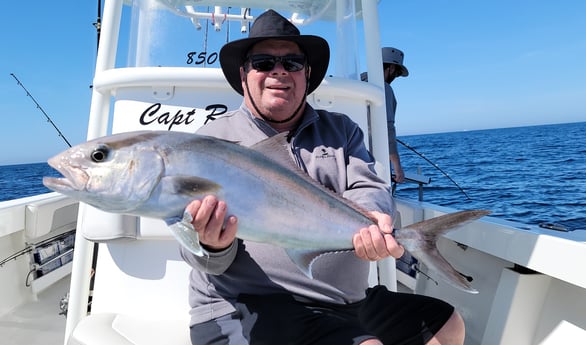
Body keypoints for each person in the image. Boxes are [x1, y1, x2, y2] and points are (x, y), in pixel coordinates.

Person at [181, 10, 464, 345]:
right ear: (244, 75)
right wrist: (212, 244)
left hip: (346, 303)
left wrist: (373, 220)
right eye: (263, 62)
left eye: (292, 62)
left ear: (307, 73)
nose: (279, 71)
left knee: (445, 324)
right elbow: (199, 254)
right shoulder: (214, 141)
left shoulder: (340, 129)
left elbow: (368, 187)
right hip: (248, 305)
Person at [361, 47, 409, 183]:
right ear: (391, 68)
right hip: (373, 163)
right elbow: (387, 127)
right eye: (398, 73)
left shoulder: (358, 83)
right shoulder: (383, 88)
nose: (396, 77)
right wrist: (397, 167)